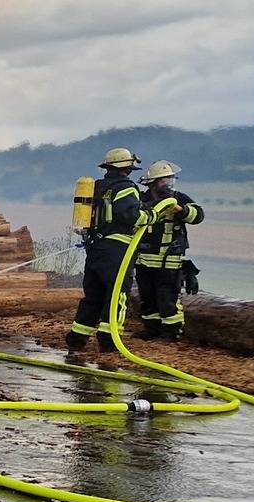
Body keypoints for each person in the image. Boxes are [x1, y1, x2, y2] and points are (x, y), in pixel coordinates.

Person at [68, 147, 143, 352]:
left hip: (95, 248)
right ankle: (110, 340)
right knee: (117, 293)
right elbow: (131, 216)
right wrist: (151, 215)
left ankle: (77, 338)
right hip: (116, 250)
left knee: (93, 294)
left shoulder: (97, 186)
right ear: (128, 168)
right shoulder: (126, 187)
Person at [135, 160, 204, 340]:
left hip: (169, 260)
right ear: (152, 183)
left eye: (170, 180)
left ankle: (171, 332)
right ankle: (151, 329)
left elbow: (198, 215)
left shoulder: (179, 198)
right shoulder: (142, 200)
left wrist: (181, 211)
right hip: (143, 259)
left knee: (167, 297)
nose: (168, 184)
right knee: (147, 297)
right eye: (164, 180)